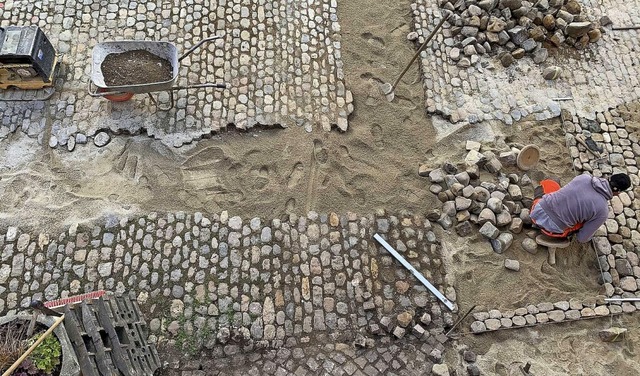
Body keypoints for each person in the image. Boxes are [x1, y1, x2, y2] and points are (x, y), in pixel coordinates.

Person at [530, 173, 631, 243]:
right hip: (551, 229)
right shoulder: (603, 211)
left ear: (609, 177)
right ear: (618, 192)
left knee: (552, 182)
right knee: (584, 223)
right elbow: (582, 238)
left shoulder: (584, 177)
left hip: (536, 210)